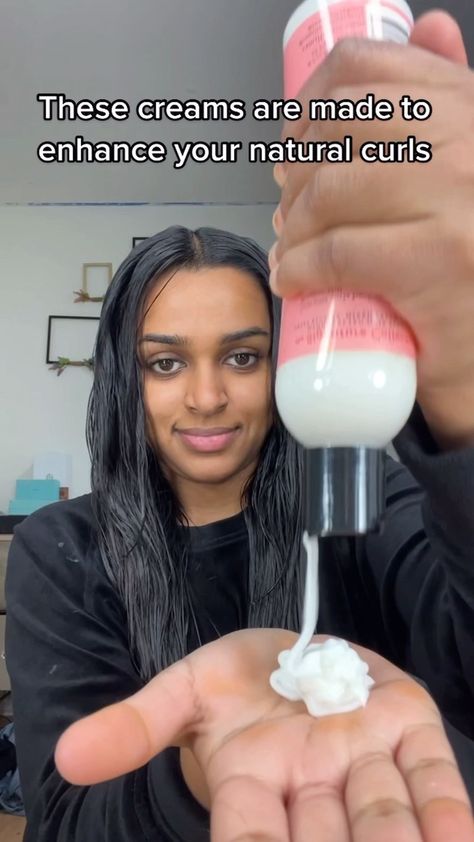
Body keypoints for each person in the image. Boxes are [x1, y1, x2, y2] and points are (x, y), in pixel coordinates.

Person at [5, 7, 474, 842]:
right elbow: (66, 820)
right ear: (125, 382)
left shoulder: (363, 512)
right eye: (166, 362)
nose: (209, 398)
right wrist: (198, 768)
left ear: (288, 359)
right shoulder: (61, 552)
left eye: (245, 357)